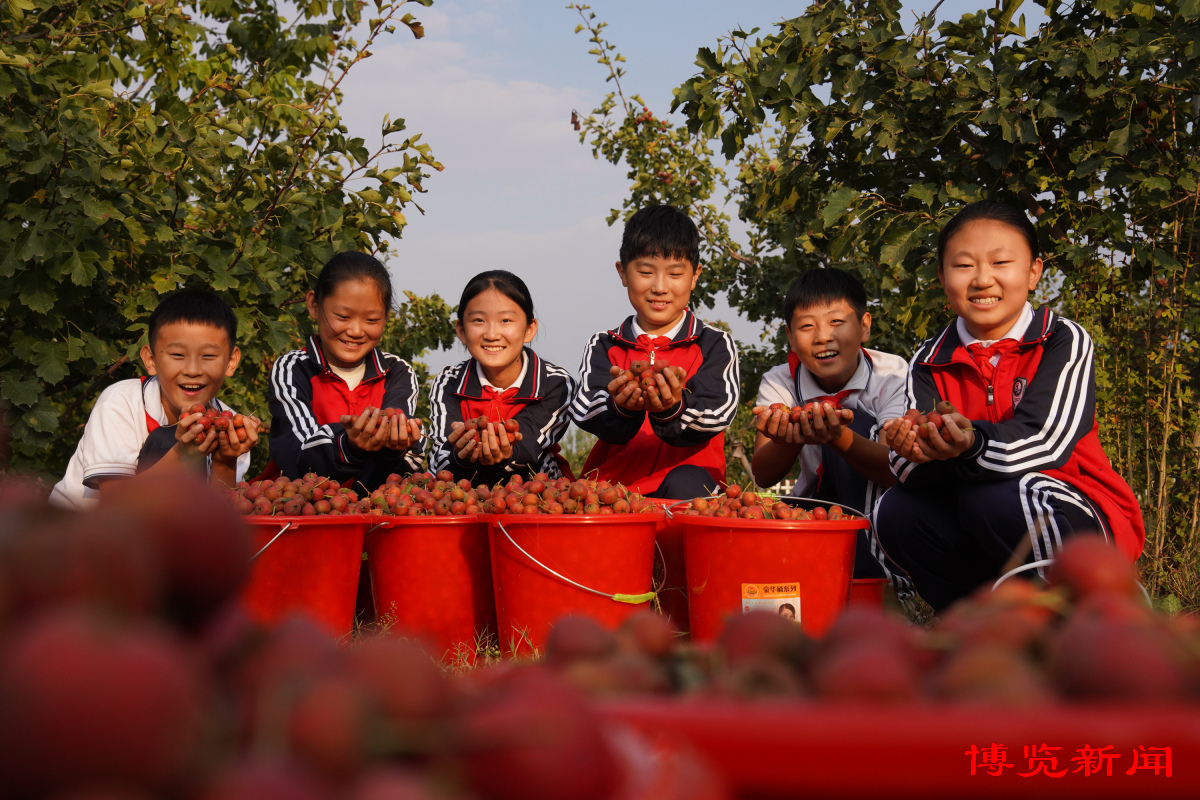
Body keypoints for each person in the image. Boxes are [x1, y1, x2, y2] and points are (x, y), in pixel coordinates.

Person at [873, 200, 1145, 612]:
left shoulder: (1061, 340)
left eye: (1001, 262)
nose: (983, 280)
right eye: (963, 266)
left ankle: (1084, 613)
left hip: (1075, 513)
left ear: (1034, 272)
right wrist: (909, 445)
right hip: (977, 517)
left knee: (999, 496)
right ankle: (974, 623)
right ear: (943, 277)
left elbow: (1046, 441)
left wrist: (968, 444)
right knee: (895, 509)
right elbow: (907, 468)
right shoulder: (928, 359)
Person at [750, 268, 910, 585]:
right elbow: (763, 474)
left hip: (878, 509)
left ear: (864, 327)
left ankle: (881, 579)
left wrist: (838, 438)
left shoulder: (892, 375)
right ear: (791, 339)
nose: (823, 336)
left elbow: (895, 470)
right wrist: (790, 438)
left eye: (836, 322)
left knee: (860, 421)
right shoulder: (779, 382)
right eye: (807, 326)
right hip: (813, 505)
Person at [570, 204, 740, 499]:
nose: (660, 287)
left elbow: (718, 412)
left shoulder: (713, 344)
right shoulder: (604, 345)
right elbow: (584, 408)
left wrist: (672, 408)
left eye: (675, 274)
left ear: (695, 275)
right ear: (623, 272)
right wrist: (621, 408)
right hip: (613, 488)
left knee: (686, 484)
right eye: (646, 272)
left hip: (691, 485)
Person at [50, 290, 258, 509]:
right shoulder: (121, 402)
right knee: (165, 441)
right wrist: (181, 455)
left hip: (151, 537)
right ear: (150, 359)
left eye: (208, 356)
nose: (193, 370)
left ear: (231, 362)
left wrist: (225, 460)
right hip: (78, 535)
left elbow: (215, 518)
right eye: (178, 355)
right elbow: (115, 507)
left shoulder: (231, 427)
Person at [268, 251, 423, 488]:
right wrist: (348, 444)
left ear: (386, 318)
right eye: (343, 316)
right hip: (298, 514)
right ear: (314, 305)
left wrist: (395, 448)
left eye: (371, 320)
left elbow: (411, 466)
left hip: (372, 515)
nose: (356, 331)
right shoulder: (293, 369)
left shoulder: (397, 372)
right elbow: (296, 453)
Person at [428, 270, 576, 484]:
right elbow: (441, 459)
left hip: (536, 496)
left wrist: (505, 451)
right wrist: (463, 455)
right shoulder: (448, 383)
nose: (491, 334)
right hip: (462, 497)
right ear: (461, 330)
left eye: (506, 320)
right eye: (478, 320)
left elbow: (528, 446)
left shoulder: (555, 384)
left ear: (529, 328)